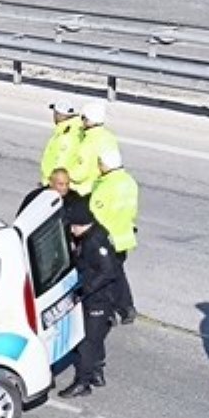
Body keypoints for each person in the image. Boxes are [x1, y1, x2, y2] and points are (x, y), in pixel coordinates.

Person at [57, 203, 122, 397]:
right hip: (98, 296)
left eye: (73, 226)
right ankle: (96, 371)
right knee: (95, 336)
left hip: (99, 299)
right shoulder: (92, 235)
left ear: (82, 224)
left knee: (86, 340)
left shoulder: (95, 241)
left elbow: (108, 271)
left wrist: (86, 288)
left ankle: (83, 382)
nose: (71, 230)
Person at [88, 148, 140, 324]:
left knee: (104, 274)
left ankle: (111, 311)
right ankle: (126, 307)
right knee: (118, 272)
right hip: (125, 236)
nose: (99, 166)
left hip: (107, 238)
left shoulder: (106, 185)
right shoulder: (129, 181)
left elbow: (96, 214)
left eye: (100, 163)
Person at [67, 100, 119, 198]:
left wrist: (66, 176)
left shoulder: (89, 140)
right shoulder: (109, 137)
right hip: (101, 189)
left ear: (90, 120)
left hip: (82, 191)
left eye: (83, 118)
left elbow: (80, 172)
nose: (81, 121)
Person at [40, 99, 83, 186]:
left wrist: (53, 183)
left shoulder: (66, 134)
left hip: (56, 184)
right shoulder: (75, 128)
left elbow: (61, 160)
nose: (54, 116)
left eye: (55, 113)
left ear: (60, 115)